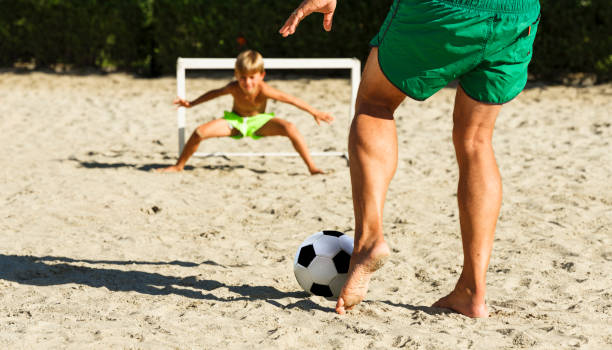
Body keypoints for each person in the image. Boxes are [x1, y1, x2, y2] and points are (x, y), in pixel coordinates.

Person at [280, 0, 540, 317]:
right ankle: (473, 292)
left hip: (446, 7)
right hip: (517, 14)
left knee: (375, 103)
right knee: (477, 139)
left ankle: (368, 242)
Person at [157, 50, 334, 174]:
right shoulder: (233, 87)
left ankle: (312, 167)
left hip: (259, 123)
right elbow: (214, 93)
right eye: (242, 77)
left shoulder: (265, 90)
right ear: (236, 75)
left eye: (251, 77)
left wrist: (314, 112)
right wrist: (191, 103)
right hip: (235, 122)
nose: (247, 82)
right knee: (199, 132)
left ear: (261, 75)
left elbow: (292, 99)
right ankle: (179, 166)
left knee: (291, 128)